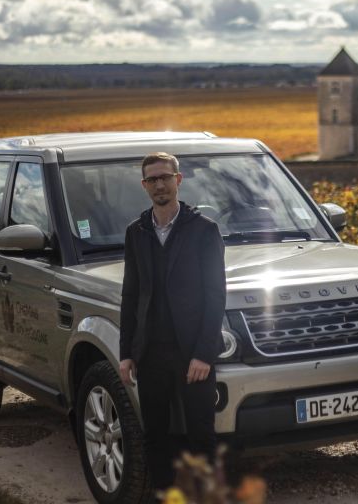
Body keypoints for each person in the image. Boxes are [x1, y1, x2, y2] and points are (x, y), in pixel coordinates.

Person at [118, 152, 226, 489]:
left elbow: (216, 296)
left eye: (166, 177)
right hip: (150, 354)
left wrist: (204, 354)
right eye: (152, 179)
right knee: (155, 436)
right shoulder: (136, 232)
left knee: (201, 438)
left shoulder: (204, 230)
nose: (160, 184)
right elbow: (131, 295)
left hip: (193, 353)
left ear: (178, 180)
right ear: (144, 185)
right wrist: (127, 351)